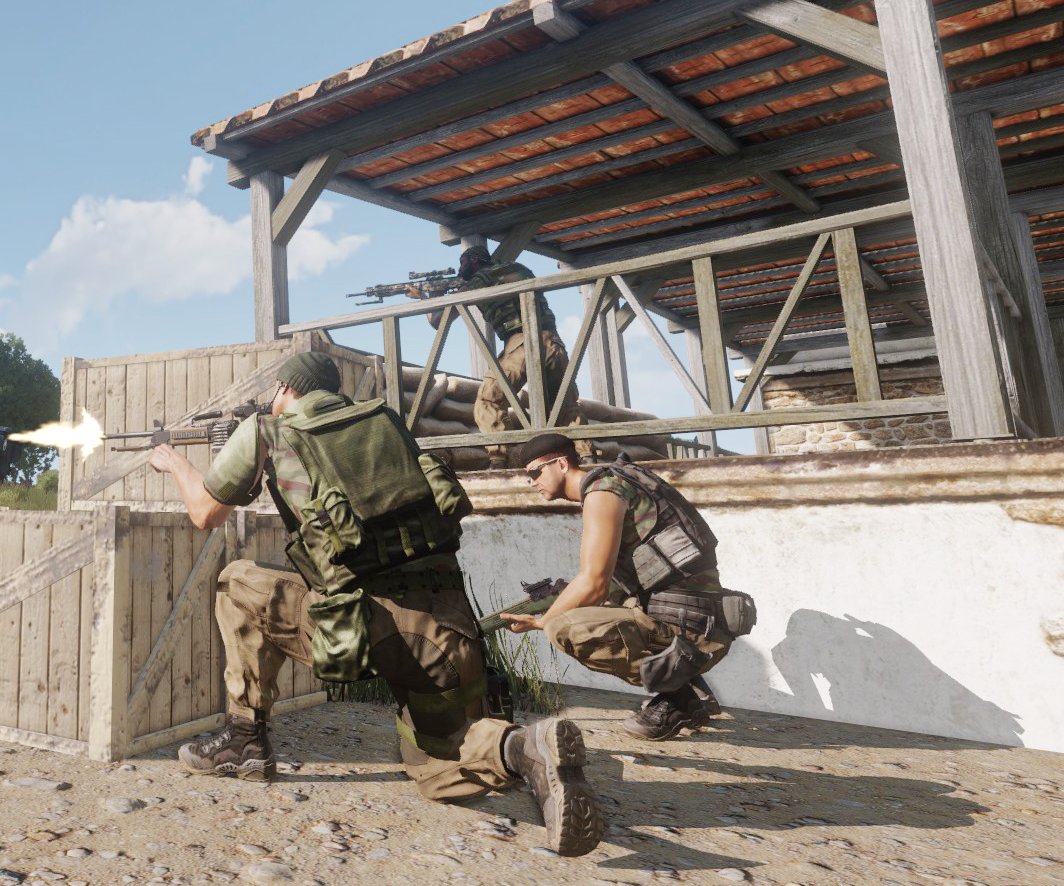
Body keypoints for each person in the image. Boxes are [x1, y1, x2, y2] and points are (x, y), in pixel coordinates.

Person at [150, 351, 604, 857]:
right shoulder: (386, 423)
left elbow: (205, 513)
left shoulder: (266, 431)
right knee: (440, 771)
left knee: (235, 583)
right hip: (448, 628)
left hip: (363, 629)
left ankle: (244, 739)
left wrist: (172, 460)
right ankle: (521, 748)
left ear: (286, 389)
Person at [503, 432, 755, 740]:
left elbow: (593, 582)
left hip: (694, 631)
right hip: (701, 623)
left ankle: (678, 697)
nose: (532, 482)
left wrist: (542, 621)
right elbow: (608, 586)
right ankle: (692, 689)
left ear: (562, 464)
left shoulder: (603, 491)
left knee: (564, 627)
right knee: (604, 602)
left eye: (535, 472)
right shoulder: (617, 482)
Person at [415, 246, 579, 470]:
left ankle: (499, 460)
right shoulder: (518, 268)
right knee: (564, 404)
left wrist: (427, 296)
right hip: (553, 340)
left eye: (463, 262)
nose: (460, 269)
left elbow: (437, 320)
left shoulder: (479, 280)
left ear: (474, 260)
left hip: (521, 341)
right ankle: (585, 456)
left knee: (488, 399)